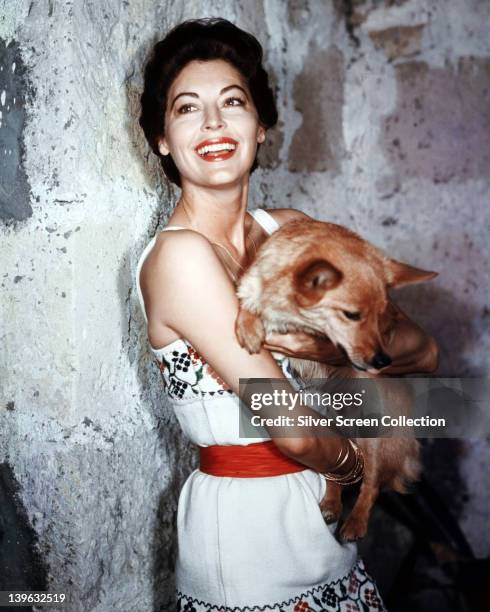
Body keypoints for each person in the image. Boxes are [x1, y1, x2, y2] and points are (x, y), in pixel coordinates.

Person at [136, 18, 438, 611]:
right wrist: (356, 467)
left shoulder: (293, 231)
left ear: (262, 126)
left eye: (233, 102)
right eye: (187, 108)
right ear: (162, 139)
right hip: (249, 537)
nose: (215, 123)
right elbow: (294, 427)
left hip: (322, 529)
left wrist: (336, 351)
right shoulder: (180, 258)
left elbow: (424, 352)